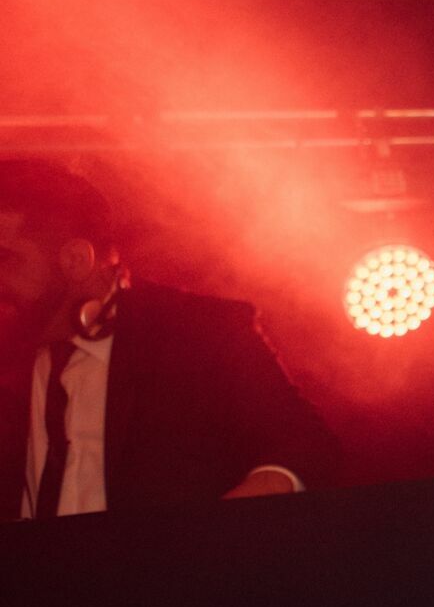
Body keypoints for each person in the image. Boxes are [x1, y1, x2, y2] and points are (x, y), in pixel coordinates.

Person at [0, 159, 338, 519]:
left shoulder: (199, 333)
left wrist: (207, 540)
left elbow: (306, 445)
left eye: (6, 259)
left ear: (75, 261)